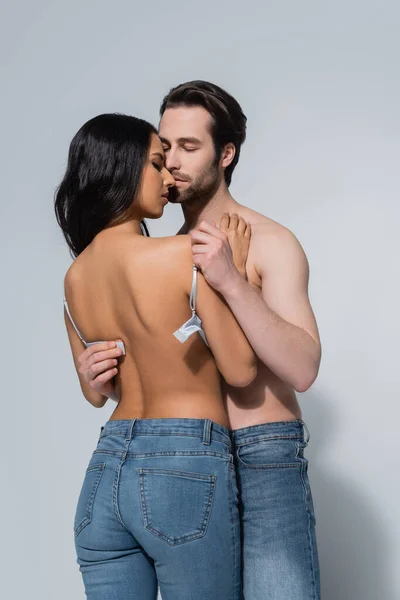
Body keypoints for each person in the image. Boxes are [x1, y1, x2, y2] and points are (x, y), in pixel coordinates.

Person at [79, 82, 322, 600]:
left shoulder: (268, 240)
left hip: (261, 456)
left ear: (226, 154)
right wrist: (94, 373)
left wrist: (230, 280)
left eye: (191, 147)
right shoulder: (156, 251)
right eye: (165, 149)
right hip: (180, 459)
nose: (174, 163)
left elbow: (303, 368)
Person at [55, 112, 258, 600]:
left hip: (106, 474)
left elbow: (95, 393)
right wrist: (237, 272)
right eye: (155, 164)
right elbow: (241, 370)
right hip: (181, 469)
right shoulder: (185, 255)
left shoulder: (74, 278)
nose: (169, 178)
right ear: (120, 168)